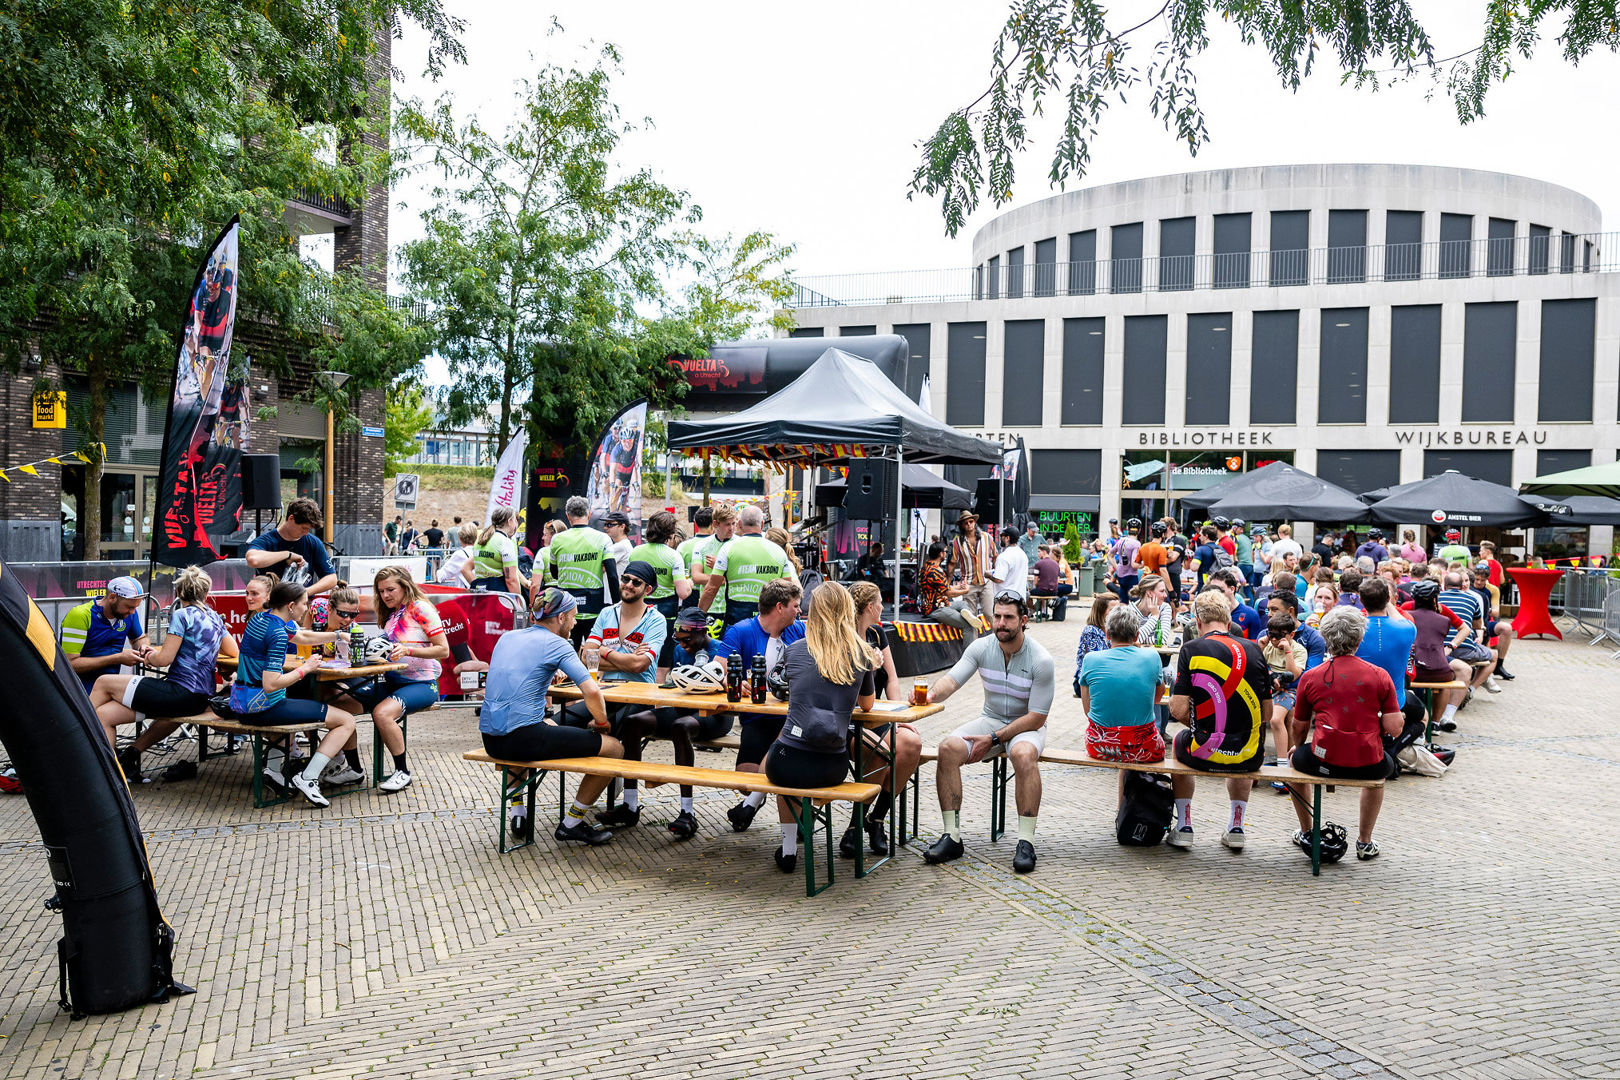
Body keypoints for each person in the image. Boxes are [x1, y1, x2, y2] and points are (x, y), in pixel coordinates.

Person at [764, 583, 921, 872]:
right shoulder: (860, 654)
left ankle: (788, 849)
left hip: (786, 763)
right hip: (831, 766)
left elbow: (783, 690)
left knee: (780, 753)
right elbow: (868, 704)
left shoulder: (795, 650)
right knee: (879, 754)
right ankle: (858, 823)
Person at [479, 588, 624, 846]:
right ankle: (572, 823)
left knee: (537, 725)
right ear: (560, 618)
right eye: (573, 617)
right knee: (614, 749)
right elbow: (591, 691)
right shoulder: (558, 643)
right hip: (521, 739)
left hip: (491, 737)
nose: (576, 622)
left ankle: (519, 813)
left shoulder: (508, 637)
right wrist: (601, 723)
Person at [923, 594, 1055, 874]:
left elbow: (1037, 717)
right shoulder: (981, 647)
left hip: (1027, 725)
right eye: (997, 616)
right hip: (991, 719)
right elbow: (952, 680)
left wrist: (995, 738)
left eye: (1008, 617)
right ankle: (952, 837)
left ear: (1024, 620)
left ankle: (1026, 842)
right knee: (947, 748)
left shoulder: (1041, 659)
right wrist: (930, 694)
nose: (1001, 623)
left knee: (1022, 754)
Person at [92, 567, 240, 777]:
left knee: (104, 682)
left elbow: (164, 659)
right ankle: (113, 768)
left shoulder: (181, 615)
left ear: (178, 594)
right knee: (104, 715)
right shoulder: (214, 616)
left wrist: (147, 654)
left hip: (179, 693)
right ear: (206, 595)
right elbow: (233, 650)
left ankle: (77, 732)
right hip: (199, 696)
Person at [1283, 607, 1403, 860]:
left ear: (1326, 639)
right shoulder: (1379, 675)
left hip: (1323, 760)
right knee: (1383, 771)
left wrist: (1297, 745)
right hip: (1367, 762)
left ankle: (1307, 831)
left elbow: (1299, 725)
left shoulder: (1311, 676)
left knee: (1294, 762)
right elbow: (1395, 728)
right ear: (1360, 639)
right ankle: (1365, 841)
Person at [229, 580, 359, 808]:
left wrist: (338, 636)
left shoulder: (260, 618)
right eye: (304, 604)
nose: (307, 609)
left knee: (304, 706)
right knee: (345, 721)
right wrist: (305, 668)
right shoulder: (278, 634)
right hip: (262, 707)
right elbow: (271, 684)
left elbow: (302, 637)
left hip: (241, 702)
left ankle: (275, 772)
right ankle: (308, 778)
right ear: (291, 606)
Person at [563, 560, 668, 828]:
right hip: (603, 691)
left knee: (610, 735)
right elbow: (586, 657)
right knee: (558, 721)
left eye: (636, 582)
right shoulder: (606, 613)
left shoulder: (656, 620)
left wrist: (603, 653)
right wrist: (620, 656)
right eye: (626, 579)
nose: (628, 585)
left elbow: (640, 665)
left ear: (649, 589)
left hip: (640, 696)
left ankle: (603, 808)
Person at [1166, 590, 1272, 851]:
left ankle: (1185, 826)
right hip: (1248, 756)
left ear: (1198, 623)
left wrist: (1203, 726)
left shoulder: (1190, 649)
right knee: (1246, 738)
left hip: (1202, 751)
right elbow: (1267, 714)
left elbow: (1177, 709)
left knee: (1179, 743)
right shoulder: (1255, 650)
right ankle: (1236, 827)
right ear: (1228, 622)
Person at [328, 567, 447, 793]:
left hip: (422, 685)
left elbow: (444, 650)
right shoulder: (393, 614)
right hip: (390, 682)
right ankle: (354, 770)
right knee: (339, 707)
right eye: (381, 591)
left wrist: (408, 651)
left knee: (382, 713)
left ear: (405, 586)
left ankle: (403, 772)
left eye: (390, 589)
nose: (385, 595)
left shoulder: (420, 608)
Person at [712, 578, 806, 831]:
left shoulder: (798, 631)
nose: (799, 611)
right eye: (795, 606)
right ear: (779, 607)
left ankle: (754, 807)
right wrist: (732, 682)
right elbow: (718, 668)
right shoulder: (742, 630)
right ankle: (755, 801)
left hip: (792, 718)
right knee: (746, 781)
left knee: (783, 769)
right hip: (757, 716)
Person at [1079, 604, 1166, 811]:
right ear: (1137, 635)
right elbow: (1158, 696)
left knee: (1125, 753)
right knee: (1143, 747)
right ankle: (1137, 812)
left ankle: (1123, 811)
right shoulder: (1152, 656)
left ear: (1108, 633)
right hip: (1144, 747)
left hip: (1100, 745)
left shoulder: (1091, 660)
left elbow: (1087, 709)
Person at [1355, 577, 1426, 757]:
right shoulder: (1407, 628)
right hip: (1395, 699)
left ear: (1361, 600)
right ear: (1389, 599)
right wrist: (1388, 603)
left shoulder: (1354, 631)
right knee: (1423, 716)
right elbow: (1398, 618)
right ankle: (1393, 751)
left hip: (1360, 699)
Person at [625, 510, 694, 679]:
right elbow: (683, 593)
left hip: (638, 612)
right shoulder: (673, 556)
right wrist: (691, 582)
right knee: (662, 667)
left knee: (636, 657)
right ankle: (655, 704)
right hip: (665, 614)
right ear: (670, 533)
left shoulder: (635, 552)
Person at [546, 495, 621, 648]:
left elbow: (554, 573)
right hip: (594, 607)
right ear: (589, 514)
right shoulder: (603, 539)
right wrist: (617, 606)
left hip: (567, 609)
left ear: (568, 516)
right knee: (595, 655)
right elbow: (613, 575)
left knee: (568, 655)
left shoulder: (557, 539)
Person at [699, 504, 791, 626]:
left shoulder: (728, 548)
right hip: (769, 619)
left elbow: (711, 589)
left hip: (737, 618)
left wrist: (697, 616)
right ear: (762, 525)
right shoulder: (778, 551)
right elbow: (788, 590)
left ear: (740, 524)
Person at [62, 576, 154, 694]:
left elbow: (139, 639)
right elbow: (70, 664)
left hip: (109, 687)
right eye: (129, 607)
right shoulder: (80, 615)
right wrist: (117, 658)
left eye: (135, 608)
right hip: (78, 690)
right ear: (112, 597)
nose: (132, 612)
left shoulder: (129, 614)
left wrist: (144, 648)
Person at [1406, 579, 1471, 730]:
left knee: (1464, 670)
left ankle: (1442, 718)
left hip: (1422, 659)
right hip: (1433, 662)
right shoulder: (1442, 617)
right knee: (1444, 679)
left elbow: (1465, 629)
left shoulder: (1407, 612)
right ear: (1435, 599)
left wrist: (1450, 646)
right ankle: (1433, 721)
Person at [244, 498, 337, 594]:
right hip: (272, 604)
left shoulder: (314, 542)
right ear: (291, 518)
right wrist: (288, 555)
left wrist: (304, 592)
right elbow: (253, 560)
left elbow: (331, 578)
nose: (306, 533)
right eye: (304, 528)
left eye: (309, 529)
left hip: (301, 605)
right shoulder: (266, 541)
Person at [1258, 610, 1305, 768]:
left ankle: (1282, 763)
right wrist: (1261, 648)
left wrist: (1288, 651)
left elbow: (1293, 675)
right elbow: (1257, 668)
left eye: (1280, 635)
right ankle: (1256, 754)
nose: (1275, 639)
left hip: (1288, 691)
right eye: (1271, 634)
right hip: (1269, 688)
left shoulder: (1298, 650)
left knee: (1276, 719)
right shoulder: (1268, 646)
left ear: (1291, 634)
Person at [848, 581, 899, 699]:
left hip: (876, 710)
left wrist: (898, 711)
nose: (882, 607)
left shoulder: (877, 633)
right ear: (870, 607)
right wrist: (870, 666)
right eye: (880, 602)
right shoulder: (845, 638)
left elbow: (892, 679)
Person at [689, 503, 736, 626]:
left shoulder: (739, 544)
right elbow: (696, 577)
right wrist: (722, 578)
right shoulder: (702, 545)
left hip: (732, 606)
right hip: (710, 607)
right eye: (727, 524)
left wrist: (718, 568)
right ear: (715, 524)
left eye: (733, 523)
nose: (731, 528)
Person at [920, 543, 978, 641]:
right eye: (946, 552)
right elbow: (948, 593)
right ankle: (968, 656)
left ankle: (967, 614)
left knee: (963, 604)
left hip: (940, 604)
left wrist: (959, 587)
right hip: (936, 609)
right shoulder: (935, 571)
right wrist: (965, 591)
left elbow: (945, 588)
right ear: (940, 554)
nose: (947, 554)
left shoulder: (927, 567)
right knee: (969, 626)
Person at [947, 510, 996, 619]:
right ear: (962, 526)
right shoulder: (957, 542)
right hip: (968, 583)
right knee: (971, 617)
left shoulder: (987, 537)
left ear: (974, 522)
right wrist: (947, 584)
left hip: (986, 581)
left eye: (971, 521)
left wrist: (995, 575)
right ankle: (973, 637)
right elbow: (952, 563)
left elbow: (995, 556)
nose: (969, 524)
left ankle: (998, 636)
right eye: (966, 523)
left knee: (990, 613)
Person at [1472, 562, 1516, 682]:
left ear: (1487, 579)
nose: (1479, 582)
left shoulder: (1493, 589)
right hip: (1472, 624)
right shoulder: (1468, 585)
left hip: (1485, 621)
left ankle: (1499, 665)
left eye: (1482, 580)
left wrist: (1486, 609)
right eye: (1477, 579)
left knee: (1506, 628)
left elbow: (1496, 612)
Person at [468, 507, 524, 597]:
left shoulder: (481, 538)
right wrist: (518, 602)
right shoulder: (505, 542)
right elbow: (511, 580)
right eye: (515, 520)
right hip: (499, 595)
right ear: (509, 521)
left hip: (479, 592)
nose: (517, 524)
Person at [1074, 593, 1119, 696]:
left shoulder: (1113, 629)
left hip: (1106, 679)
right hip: (1088, 682)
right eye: (1112, 611)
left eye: (1118, 611)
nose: (1116, 614)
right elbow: (1098, 664)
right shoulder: (1091, 631)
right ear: (1101, 612)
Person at [1029, 544, 1072, 621]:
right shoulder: (1056, 564)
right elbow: (1057, 578)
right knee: (1042, 591)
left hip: (1043, 591)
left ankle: (1035, 610)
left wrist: (1038, 585)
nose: (1037, 554)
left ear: (1044, 552)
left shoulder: (1038, 564)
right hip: (1054, 592)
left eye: (1039, 552)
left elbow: (1035, 581)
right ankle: (1044, 610)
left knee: (1029, 593)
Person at [1129, 574, 1174, 646]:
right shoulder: (1129, 611)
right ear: (1149, 593)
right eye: (1162, 591)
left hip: (1159, 655)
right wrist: (1155, 616)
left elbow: (1161, 640)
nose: (1165, 595)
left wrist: (1140, 640)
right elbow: (1132, 640)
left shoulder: (1165, 608)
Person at [990, 526, 1029, 601]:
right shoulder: (1023, 555)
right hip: (1020, 598)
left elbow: (999, 579)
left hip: (1005, 600)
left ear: (1007, 538)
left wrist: (988, 575)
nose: (1001, 538)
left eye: (1002, 536)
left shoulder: (1004, 556)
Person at [1111, 518, 1142, 600]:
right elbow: (1134, 564)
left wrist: (1117, 567)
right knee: (1134, 601)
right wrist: (1144, 565)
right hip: (1131, 575)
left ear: (1127, 529)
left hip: (1121, 575)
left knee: (1123, 601)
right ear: (1139, 530)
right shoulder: (1137, 544)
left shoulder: (1121, 540)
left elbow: (1110, 555)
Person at [602, 511, 636, 577]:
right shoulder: (623, 544)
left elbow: (600, 569)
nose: (605, 528)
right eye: (605, 524)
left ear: (622, 526)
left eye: (609, 525)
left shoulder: (621, 546)